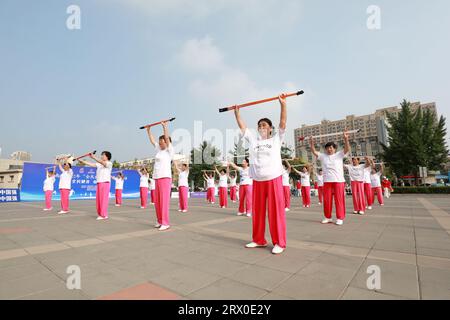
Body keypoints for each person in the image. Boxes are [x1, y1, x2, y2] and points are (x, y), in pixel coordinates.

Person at [233, 93, 288, 254]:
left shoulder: (276, 140)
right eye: (259, 125)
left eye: (264, 125)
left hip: (273, 179)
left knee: (275, 213)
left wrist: (283, 105)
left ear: (270, 129)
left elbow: (283, 122)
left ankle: (279, 242)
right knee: (257, 213)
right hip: (257, 180)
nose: (261, 127)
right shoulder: (254, 141)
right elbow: (243, 128)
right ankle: (259, 239)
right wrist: (237, 113)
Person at [310, 131, 350, 226]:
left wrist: (346, 139)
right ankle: (328, 217)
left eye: (331, 148)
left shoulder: (339, 155)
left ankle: (340, 218)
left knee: (339, 200)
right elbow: (314, 151)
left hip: (338, 181)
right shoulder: (323, 156)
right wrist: (311, 142)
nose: (329, 149)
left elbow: (346, 149)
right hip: (327, 181)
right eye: (327, 148)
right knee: (327, 201)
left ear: (334, 149)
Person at [146, 121, 174, 231]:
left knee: (164, 201)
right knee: (157, 202)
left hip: (165, 178)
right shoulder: (159, 149)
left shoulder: (169, 150)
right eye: (160, 142)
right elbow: (152, 141)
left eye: (162, 142)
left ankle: (165, 222)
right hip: (157, 178)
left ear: (167, 143)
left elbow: (167, 138)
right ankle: (159, 220)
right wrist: (148, 131)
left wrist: (164, 127)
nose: (160, 144)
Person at [78, 151, 113, 220]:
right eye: (101, 155)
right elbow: (91, 164)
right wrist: (82, 161)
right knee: (99, 200)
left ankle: (104, 215)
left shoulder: (109, 163)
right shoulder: (99, 164)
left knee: (103, 200)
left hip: (105, 183)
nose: (102, 156)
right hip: (99, 183)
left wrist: (93, 157)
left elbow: (103, 163)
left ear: (107, 157)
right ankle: (100, 214)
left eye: (103, 155)